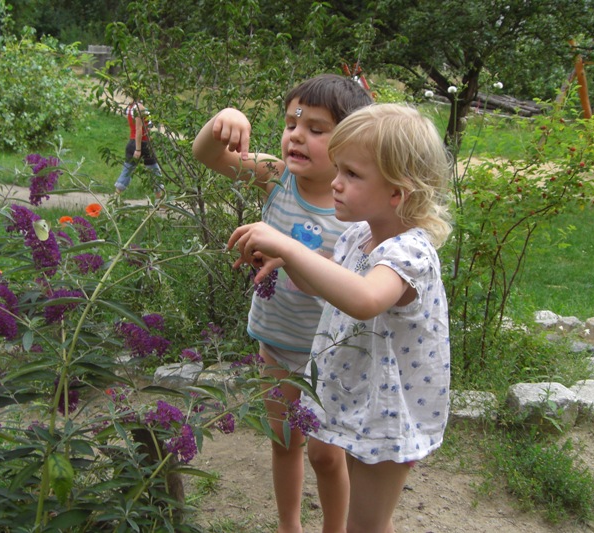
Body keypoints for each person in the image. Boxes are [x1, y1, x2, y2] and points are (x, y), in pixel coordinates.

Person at [228, 103, 453, 533]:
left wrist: (291, 248)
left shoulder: (410, 252)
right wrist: (292, 261)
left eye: (351, 174)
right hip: (357, 396)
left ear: (397, 193)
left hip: (388, 412)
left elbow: (366, 298)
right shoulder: (361, 235)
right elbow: (330, 284)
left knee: (366, 526)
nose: (335, 183)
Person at [193, 73, 373, 533]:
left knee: (327, 455)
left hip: (331, 354)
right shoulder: (277, 178)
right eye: (292, 122)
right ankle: (288, 526)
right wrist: (223, 121)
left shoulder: (353, 203)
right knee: (284, 440)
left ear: (349, 141)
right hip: (276, 341)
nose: (297, 134)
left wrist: (296, 258)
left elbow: (347, 282)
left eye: (316, 128)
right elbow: (207, 155)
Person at [115, 100, 163, 198]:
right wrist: (138, 149)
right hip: (141, 144)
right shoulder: (139, 108)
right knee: (154, 171)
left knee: (128, 169)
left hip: (133, 142)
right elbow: (139, 129)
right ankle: (160, 199)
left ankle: (115, 197)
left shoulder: (131, 106)